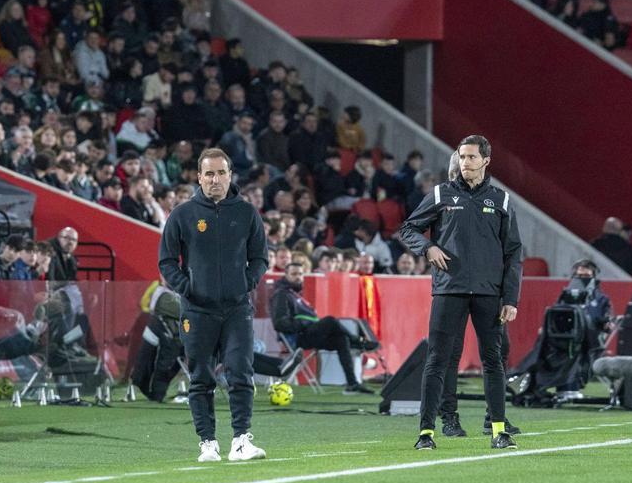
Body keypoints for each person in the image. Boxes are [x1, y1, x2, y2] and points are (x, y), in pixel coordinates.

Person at [397, 134, 523, 451]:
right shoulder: (440, 194)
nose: (464, 162)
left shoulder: (502, 200)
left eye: (470, 157)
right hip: (448, 290)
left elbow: (514, 254)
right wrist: (428, 248)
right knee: (437, 360)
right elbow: (407, 228)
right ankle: (426, 434)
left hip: (488, 294)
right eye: (461, 157)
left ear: (485, 161)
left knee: (493, 361)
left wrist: (510, 299)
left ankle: (498, 431)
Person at [159, 147, 268, 463]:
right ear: (199, 177)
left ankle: (240, 441)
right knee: (201, 377)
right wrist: (187, 288)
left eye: (221, 173)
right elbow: (166, 261)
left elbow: (260, 257)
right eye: (209, 173)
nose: (215, 179)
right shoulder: (182, 215)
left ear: (230, 176)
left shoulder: (246, 213)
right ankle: (208, 443)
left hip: (236, 309)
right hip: (197, 310)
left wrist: (246, 283)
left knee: (239, 373)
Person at [269, 260, 375, 394]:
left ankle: (352, 384)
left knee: (341, 339)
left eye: (300, 274)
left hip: (307, 333)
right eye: (294, 274)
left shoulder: (295, 294)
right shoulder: (281, 295)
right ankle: (358, 341)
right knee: (330, 320)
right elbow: (280, 323)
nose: (298, 277)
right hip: (298, 337)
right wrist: (305, 323)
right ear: (286, 275)